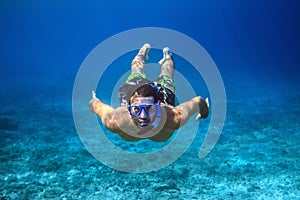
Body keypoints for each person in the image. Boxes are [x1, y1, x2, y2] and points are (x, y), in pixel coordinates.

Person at [89, 43, 209, 142]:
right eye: (136, 109)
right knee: (136, 70)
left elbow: (198, 102)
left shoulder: (174, 117)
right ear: (129, 107)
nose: (143, 116)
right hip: (133, 91)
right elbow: (95, 105)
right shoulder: (114, 120)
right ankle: (142, 53)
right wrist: (93, 101)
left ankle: (167, 56)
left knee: (167, 73)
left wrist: (204, 113)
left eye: (149, 109)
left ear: (159, 106)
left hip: (161, 94)